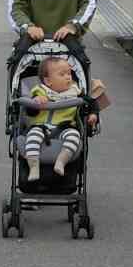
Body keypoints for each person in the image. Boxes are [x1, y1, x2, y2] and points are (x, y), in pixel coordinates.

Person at [20, 54, 87, 183]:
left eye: (69, 73)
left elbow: (90, 102)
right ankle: (33, 166)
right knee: (32, 136)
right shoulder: (40, 91)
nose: (68, 77)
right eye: (62, 75)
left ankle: (61, 161)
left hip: (64, 127)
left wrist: (93, 114)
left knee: (74, 136)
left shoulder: (75, 92)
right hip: (41, 126)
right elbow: (30, 112)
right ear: (48, 81)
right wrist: (36, 102)